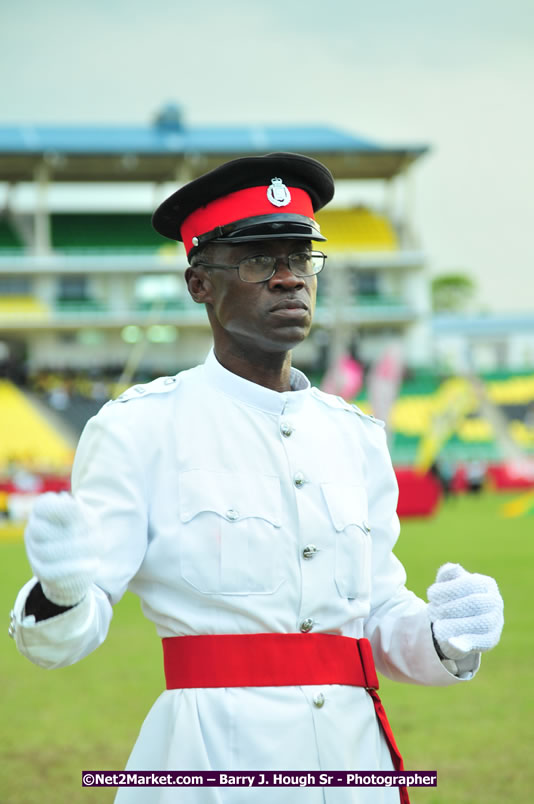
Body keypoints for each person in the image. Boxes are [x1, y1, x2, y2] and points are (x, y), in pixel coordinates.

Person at [9, 153, 503, 804]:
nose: (287, 279)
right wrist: (62, 591)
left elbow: (375, 614)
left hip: (355, 769)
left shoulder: (356, 436)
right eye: (256, 260)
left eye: (300, 259)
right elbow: (65, 636)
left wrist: (444, 635)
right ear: (198, 283)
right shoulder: (140, 430)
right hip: (210, 766)